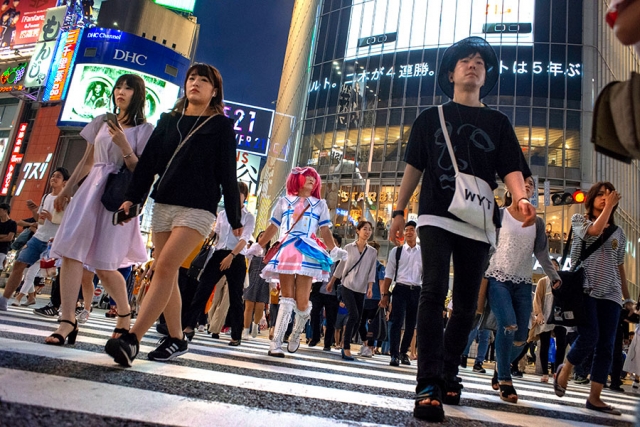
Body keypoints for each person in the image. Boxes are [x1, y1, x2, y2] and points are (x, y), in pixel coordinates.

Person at [388, 36, 535, 422]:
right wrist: (399, 210)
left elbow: (512, 169)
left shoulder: (498, 123)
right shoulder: (429, 117)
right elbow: (414, 168)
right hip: (436, 213)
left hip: (479, 220)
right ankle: (427, 383)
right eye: (465, 61)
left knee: (468, 305)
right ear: (451, 73)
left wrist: (521, 199)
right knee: (434, 290)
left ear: (486, 77)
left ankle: (449, 370)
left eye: (480, 63)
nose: (473, 66)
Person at [105, 64, 242, 367]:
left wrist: (235, 218)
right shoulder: (169, 120)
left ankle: (132, 339)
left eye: (203, 80)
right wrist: (133, 198)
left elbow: (228, 175)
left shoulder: (221, 126)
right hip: (164, 203)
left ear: (214, 90)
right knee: (167, 271)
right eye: (191, 78)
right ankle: (177, 338)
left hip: (199, 208)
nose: (195, 83)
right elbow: (149, 164)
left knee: (166, 266)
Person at [44, 74, 153, 345]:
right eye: (118, 87)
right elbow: (87, 160)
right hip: (88, 192)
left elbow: (142, 172)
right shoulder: (103, 121)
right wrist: (67, 191)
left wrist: (125, 146)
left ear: (138, 95)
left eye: (128, 88)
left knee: (104, 265)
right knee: (70, 253)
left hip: (115, 196)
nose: (121, 91)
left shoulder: (145, 129)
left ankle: (124, 313)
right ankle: (67, 320)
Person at [247, 167, 343, 358]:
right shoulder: (284, 201)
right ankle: (276, 343)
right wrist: (259, 245)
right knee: (286, 297)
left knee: (302, 302)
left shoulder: (320, 204)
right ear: (296, 179)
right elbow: (273, 227)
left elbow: (324, 230)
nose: (311, 180)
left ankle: (297, 332)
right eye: (307, 177)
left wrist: (334, 249)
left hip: (308, 251)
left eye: (314, 178)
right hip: (288, 249)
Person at [554, 182, 628, 415]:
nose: (605, 198)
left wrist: (628, 299)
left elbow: (620, 267)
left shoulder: (619, 233)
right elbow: (594, 232)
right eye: (601, 195)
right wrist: (610, 208)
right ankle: (566, 368)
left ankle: (595, 398)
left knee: (607, 345)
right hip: (585, 288)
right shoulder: (580, 220)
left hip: (612, 293)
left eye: (609, 195)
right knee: (591, 334)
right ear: (592, 198)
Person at [485, 175, 560, 403]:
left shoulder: (536, 222)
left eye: (530, 185)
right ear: (510, 188)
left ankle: (501, 366)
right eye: (523, 183)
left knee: (521, 338)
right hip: (497, 278)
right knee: (508, 325)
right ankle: (506, 380)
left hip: (523, 282)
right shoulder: (499, 214)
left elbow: (542, 254)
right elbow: (486, 245)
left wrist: (554, 276)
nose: (527, 186)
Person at [182, 181, 255, 346]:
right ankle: (189, 326)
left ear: (245, 196)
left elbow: (245, 239)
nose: (235, 197)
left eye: (239, 194)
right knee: (203, 289)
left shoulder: (248, 216)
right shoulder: (222, 214)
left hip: (236, 257)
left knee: (236, 297)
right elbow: (215, 233)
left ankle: (236, 335)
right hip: (218, 254)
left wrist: (231, 256)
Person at [0, 168, 70, 310]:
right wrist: (34, 210)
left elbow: (70, 221)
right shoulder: (46, 197)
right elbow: (40, 220)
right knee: (19, 264)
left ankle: (60, 306)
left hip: (54, 241)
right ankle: (4, 299)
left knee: (57, 274)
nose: (53, 178)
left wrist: (53, 218)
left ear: (65, 182)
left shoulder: (68, 199)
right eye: (53, 175)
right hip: (38, 237)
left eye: (58, 176)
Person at [327, 220, 377, 361]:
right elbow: (341, 266)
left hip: (361, 289)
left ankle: (345, 341)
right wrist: (332, 282)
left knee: (358, 319)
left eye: (369, 229)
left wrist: (370, 287)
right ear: (358, 231)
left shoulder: (372, 252)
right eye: (364, 229)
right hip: (347, 286)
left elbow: (372, 270)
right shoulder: (348, 248)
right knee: (354, 315)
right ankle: (346, 347)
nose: (367, 232)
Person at [380, 221, 422, 367]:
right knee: (396, 322)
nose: (409, 232)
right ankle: (394, 354)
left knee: (411, 324)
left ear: (416, 233)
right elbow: (389, 274)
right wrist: (385, 295)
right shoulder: (396, 252)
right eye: (407, 230)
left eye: (412, 230)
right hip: (400, 288)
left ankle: (404, 352)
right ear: (404, 233)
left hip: (416, 290)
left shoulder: (423, 252)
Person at [531, 258, 567, 383]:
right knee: (544, 344)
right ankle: (545, 372)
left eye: (555, 265)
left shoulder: (563, 281)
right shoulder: (543, 281)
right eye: (551, 265)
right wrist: (539, 314)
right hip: (546, 316)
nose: (553, 267)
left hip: (560, 318)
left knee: (562, 344)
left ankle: (557, 371)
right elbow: (537, 299)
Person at [309, 233, 342, 350]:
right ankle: (315, 337)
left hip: (333, 294)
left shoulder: (341, 259)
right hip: (318, 290)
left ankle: (328, 343)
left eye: (333, 242)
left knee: (331, 319)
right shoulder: (321, 254)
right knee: (314, 313)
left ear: (338, 245)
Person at [357, 240, 384, 357]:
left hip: (375, 298)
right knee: (359, 322)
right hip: (362, 296)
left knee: (373, 324)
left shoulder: (379, 267)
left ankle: (370, 347)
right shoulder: (361, 264)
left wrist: (383, 298)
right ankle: (365, 343)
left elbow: (382, 283)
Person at [243, 233, 271, 340]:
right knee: (249, 306)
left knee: (260, 307)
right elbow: (246, 256)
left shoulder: (270, 253)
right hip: (251, 279)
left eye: (265, 236)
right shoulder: (253, 250)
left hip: (264, 281)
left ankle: (255, 324)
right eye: (261, 236)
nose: (263, 238)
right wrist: (256, 247)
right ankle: (245, 330)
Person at [0, 203, 16, 270]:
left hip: (3, 248)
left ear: (5, 211)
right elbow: (8, 236)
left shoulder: (12, 223)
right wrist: (4, 235)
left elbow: (10, 238)